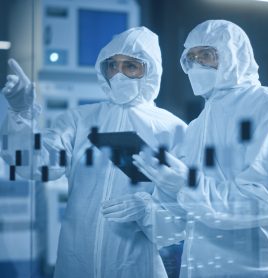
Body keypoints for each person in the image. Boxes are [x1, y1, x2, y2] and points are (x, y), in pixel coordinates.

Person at [111, 20, 268, 277]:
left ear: (234, 54)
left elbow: (264, 201)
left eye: (206, 56)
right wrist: (148, 209)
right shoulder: (197, 127)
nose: (196, 65)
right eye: (190, 57)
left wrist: (186, 186)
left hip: (257, 271)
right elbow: (180, 224)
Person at [0, 26, 187, 278]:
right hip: (76, 262)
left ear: (150, 71)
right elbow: (35, 164)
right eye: (112, 66)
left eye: (131, 66)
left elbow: (181, 216)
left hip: (135, 267)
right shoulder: (80, 120)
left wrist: (147, 210)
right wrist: (19, 114)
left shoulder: (172, 129)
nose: (118, 74)